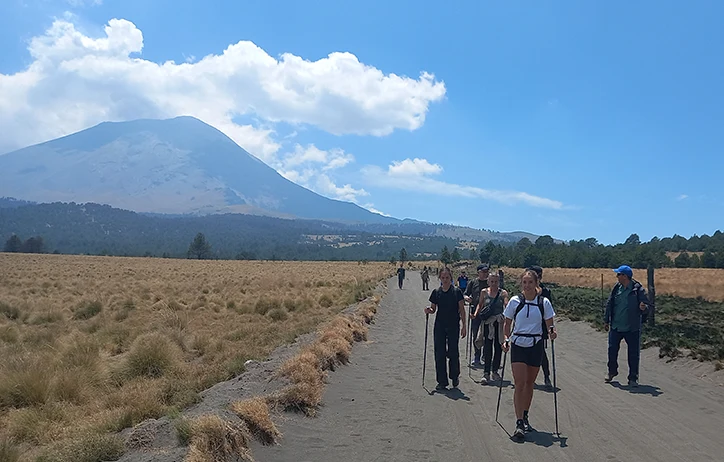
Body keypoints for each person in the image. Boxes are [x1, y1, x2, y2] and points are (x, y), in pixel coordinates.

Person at [502, 269, 556, 441]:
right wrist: (505, 338)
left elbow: (550, 325)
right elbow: (507, 322)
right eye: (524, 282)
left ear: (536, 283)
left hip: (536, 345)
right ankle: (518, 423)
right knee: (519, 383)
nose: (527, 285)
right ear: (521, 284)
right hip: (518, 344)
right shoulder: (515, 301)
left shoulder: (544, 302)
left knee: (529, 383)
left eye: (530, 282)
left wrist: (552, 332)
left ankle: (525, 416)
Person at [603, 265, 651, 388]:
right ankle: (612, 371)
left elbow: (647, 306)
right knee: (612, 351)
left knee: (633, 354)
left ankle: (633, 378)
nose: (617, 276)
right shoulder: (616, 288)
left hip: (632, 327)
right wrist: (606, 320)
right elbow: (610, 304)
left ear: (625, 276)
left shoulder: (637, 289)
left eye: (619, 274)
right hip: (616, 326)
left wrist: (644, 308)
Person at [424, 267, 467, 391]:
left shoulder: (457, 292)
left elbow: (462, 310)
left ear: (451, 278)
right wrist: (428, 310)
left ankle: (454, 376)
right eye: (443, 278)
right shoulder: (436, 292)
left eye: (447, 277)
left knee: (453, 352)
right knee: (439, 353)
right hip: (440, 326)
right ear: (440, 278)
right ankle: (442, 381)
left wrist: (464, 326)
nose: (445, 280)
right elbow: (433, 309)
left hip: (453, 325)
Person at [473, 271, 508, 384]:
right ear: (488, 281)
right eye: (492, 281)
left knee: (498, 348)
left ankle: (495, 371)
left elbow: (507, 306)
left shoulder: (503, 293)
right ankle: (486, 373)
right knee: (487, 348)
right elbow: (480, 304)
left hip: (499, 323)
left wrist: (509, 315)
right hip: (488, 323)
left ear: (499, 282)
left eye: (496, 282)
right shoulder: (484, 292)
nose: (494, 284)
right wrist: (475, 314)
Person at [526, 265, 553, 390]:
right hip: (526, 326)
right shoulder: (525, 291)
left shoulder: (546, 292)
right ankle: (532, 376)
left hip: (540, 326)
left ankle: (546, 376)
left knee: (540, 352)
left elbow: (548, 311)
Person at [464, 264, 490, 366]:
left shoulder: (490, 282)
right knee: (475, 335)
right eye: (483, 272)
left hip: (488, 312)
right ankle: (477, 356)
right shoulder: (473, 282)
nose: (485, 273)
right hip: (475, 311)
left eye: (486, 272)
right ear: (478, 272)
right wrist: (467, 298)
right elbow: (465, 293)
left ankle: (485, 356)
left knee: (488, 335)